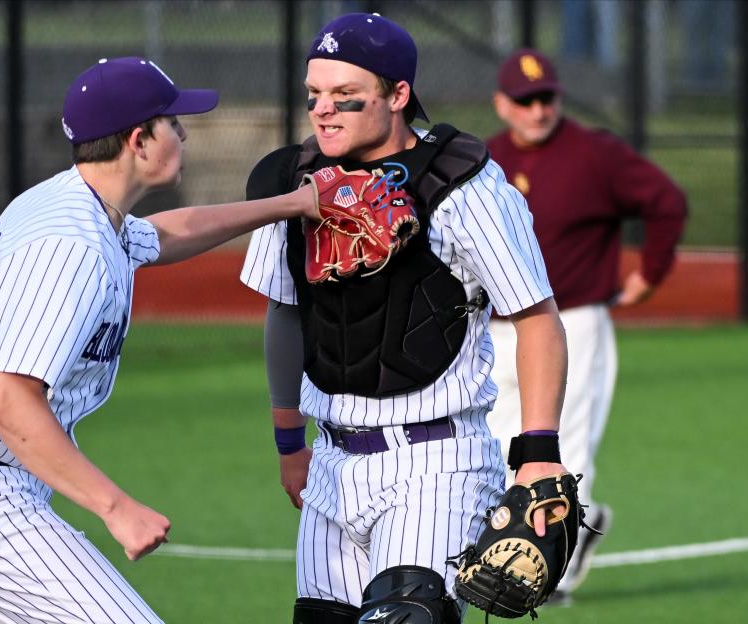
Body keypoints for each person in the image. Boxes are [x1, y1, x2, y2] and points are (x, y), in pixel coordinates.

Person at [0, 56, 330, 624]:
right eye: (174, 121)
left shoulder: (75, 204)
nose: (185, 132)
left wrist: (292, 204)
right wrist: (116, 509)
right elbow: (4, 396)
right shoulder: (73, 248)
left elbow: (166, 233)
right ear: (140, 140)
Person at [240, 14, 571, 623]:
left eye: (346, 97)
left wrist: (539, 447)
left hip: (434, 462)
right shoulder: (293, 183)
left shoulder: (462, 186)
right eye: (315, 95)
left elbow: (537, 316)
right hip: (331, 465)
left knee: (408, 617)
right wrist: (290, 442)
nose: (324, 111)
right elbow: (284, 314)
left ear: (397, 96)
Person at [485, 48, 687, 602]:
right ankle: (574, 526)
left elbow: (667, 202)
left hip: (573, 323)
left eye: (546, 97)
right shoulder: (486, 159)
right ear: (502, 104)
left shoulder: (594, 154)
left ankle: (551, 575)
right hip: (494, 329)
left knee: (562, 450)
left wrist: (650, 273)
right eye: (524, 101)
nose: (537, 110)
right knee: (498, 452)